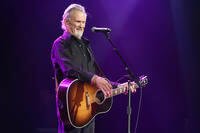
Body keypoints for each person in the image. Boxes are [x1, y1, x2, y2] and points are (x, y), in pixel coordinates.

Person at [51, 3, 136, 133]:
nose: (82, 25)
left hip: (89, 110)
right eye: (78, 21)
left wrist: (119, 86)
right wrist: (94, 79)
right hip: (72, 109)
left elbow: (97, 75)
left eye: (84, 22)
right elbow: (70, 69)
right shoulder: (60, 44)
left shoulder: (86, 46)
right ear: (67, 22)